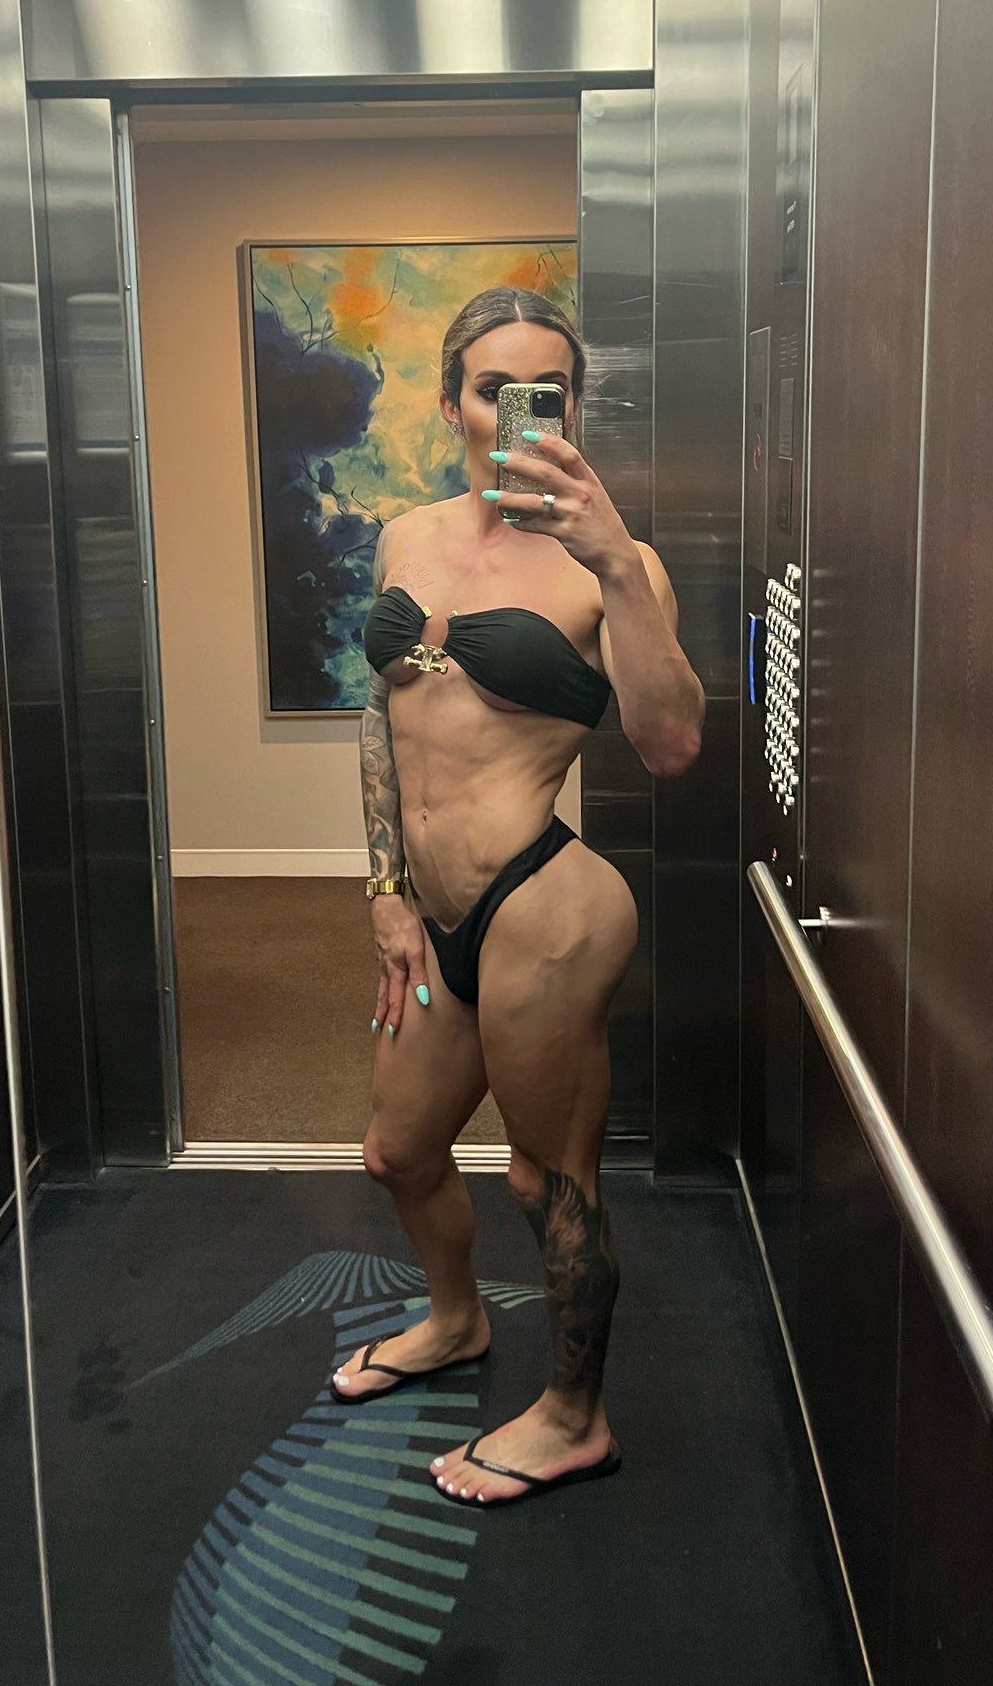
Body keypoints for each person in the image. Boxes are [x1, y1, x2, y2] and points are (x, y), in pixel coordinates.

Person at [333, 286, 705, 1506]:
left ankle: (576, 1414)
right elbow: (381, 714)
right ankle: (457, 1320)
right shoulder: (406, 536)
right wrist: (385, 888)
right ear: (453, 405)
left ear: (575, 406)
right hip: (431, 913)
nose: (521, 408)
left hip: (545, 904)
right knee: (398, 1150)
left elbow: (672, 743)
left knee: (547, 1179)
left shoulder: (615, 565)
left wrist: (616, 563)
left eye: (550, 387)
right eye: (495, 387)